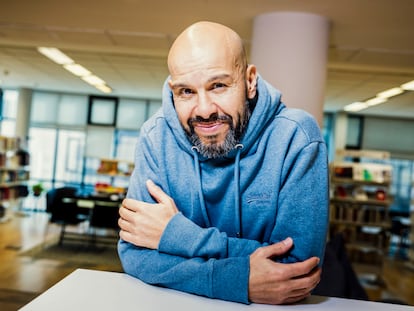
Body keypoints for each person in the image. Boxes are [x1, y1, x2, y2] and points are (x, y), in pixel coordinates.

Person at [117, 21, 329, 305]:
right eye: (186, 92)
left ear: (250, 81)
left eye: (218, 86)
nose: (204, 111)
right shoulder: (156, 137)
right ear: (172, 90)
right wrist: (236, 279)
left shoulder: (296, 137)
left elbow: (296, 270)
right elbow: (135, 254)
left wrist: (176, 236)